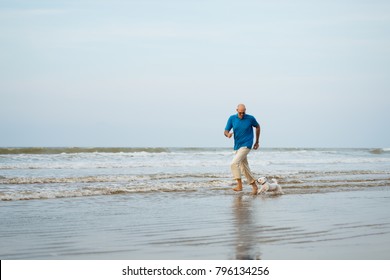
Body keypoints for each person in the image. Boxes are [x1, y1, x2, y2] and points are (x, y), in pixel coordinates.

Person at [224, 104, 260, 195]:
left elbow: (258, 126)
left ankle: (239, 185)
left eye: (243, 113)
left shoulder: (250, 118)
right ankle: (255, 187)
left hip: (247, 144)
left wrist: (257, 141)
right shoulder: (232, 118)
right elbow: (226, 131)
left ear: (245, 110)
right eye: (240, 113)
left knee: (234, 163)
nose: (242, 115)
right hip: (237, 146)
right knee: (244, 168)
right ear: (237, 110)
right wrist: (228, 134)